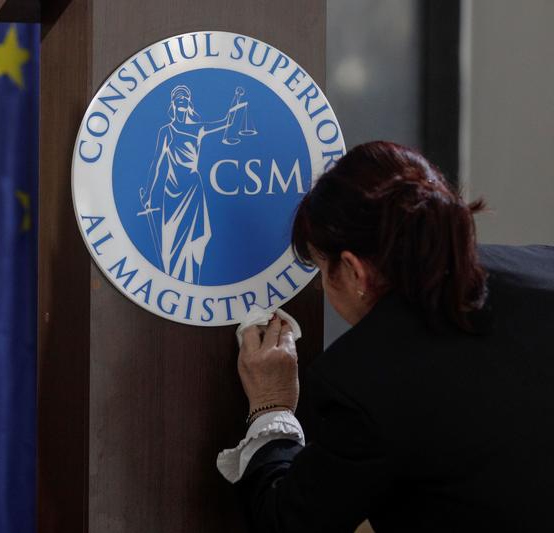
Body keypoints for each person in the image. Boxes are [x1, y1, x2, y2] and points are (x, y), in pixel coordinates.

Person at [219, 141, 554, 532]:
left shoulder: (366, 382)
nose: (322, 288)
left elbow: (289, 522)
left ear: (354, 270)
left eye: (322, 270)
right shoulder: (543, 267)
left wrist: (271, 406)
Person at [141, 84, 245, 283]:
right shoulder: (166, 131)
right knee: (169, 244)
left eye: (185, 98)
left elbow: (226, 122)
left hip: (192, 189)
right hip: (172, 192)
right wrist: (148, 194)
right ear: (173, 103)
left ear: (189, 103)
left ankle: (192, 282)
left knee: (195, 241)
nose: (182, 101)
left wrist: (236, 101)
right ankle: (173, 283)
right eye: (178, 98)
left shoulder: (197, 128)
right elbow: (156, 163)